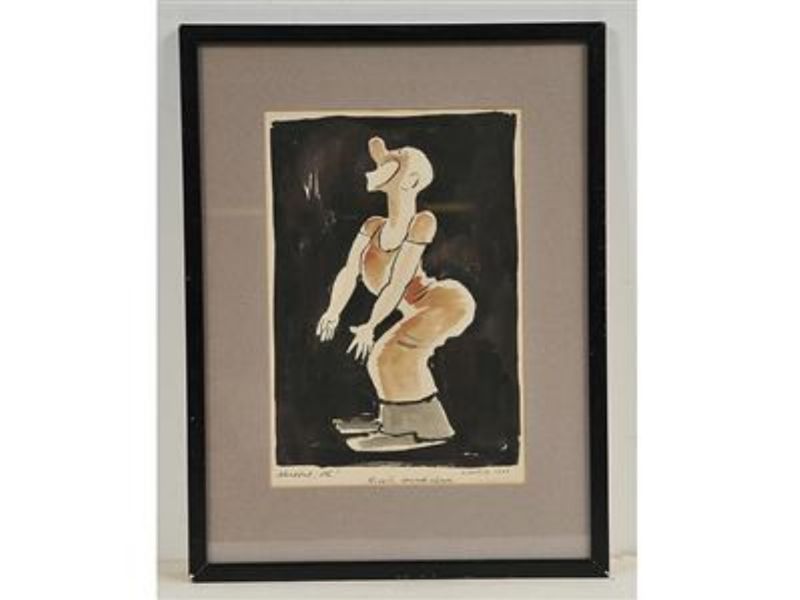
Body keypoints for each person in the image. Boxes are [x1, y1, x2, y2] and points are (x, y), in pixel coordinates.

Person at [315, 136, 476, 452]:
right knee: (391, 357)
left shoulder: (422, 223)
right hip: (417, 308)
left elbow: (397, 282)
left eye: (398, 157)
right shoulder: (373, 226)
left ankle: (423, 430)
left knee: (389, 354)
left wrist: (371, 325)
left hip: (445, 303)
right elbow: (349, 270)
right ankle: (394, 420)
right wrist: (333, 311)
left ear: (412, 181)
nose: (384, 159)